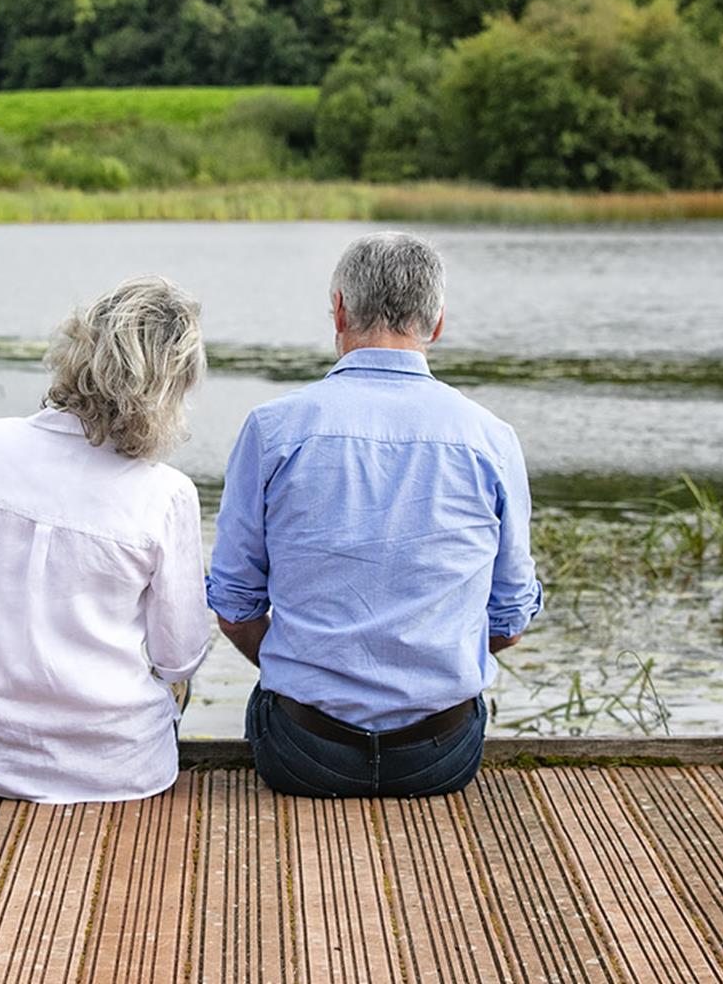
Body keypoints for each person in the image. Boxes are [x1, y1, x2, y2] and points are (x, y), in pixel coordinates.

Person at [206, 232, 543, 798]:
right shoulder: (491, 440)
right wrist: (434, 654)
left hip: (301, 755)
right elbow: (509, 621)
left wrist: (308, 667)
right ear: (437, 324)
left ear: (338, 309)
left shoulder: (273, 429)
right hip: (441, 760)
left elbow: (235, 609)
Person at [0, 276, 212, 804]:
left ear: (78, 350)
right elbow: (179, 659)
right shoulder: (166, 493)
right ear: (169, 387)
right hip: (123, 764)